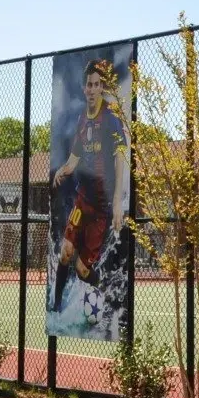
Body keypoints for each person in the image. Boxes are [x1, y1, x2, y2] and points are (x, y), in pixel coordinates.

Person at [48, 58, 127, 316]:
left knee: (82, 270)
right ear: (84, 89)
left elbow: (120, 157)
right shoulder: (83, 118)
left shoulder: (111, 117)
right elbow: (75, 158)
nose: (92, 89)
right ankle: (56, 309)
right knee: (65, 252)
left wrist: (117, 201)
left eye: (96, 84)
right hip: (83, 199)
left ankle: (100, 288)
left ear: (102, 87)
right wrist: (63, 169)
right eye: (88, 85)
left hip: (102, 207)